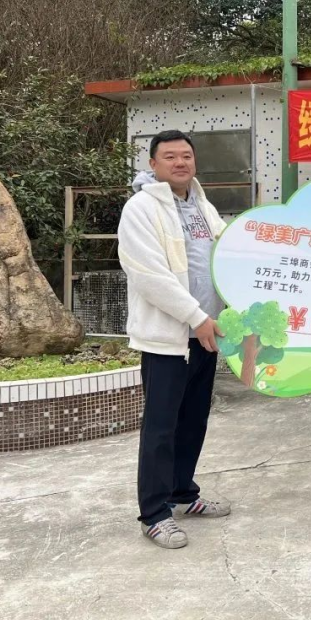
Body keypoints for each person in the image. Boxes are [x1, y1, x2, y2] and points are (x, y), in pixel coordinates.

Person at [118, 129, 231, 549]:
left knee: (193, 421)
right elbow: (149, 276)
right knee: (161, 428)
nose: (180, 162)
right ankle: (154, 513)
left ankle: (184, 493)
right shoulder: (141, 208)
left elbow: (226, 255)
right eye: (170, 156)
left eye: (186, 155)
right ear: (153, 164)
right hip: (169, 339)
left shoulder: (203, 205)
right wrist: (195, 317)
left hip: (205, 334)